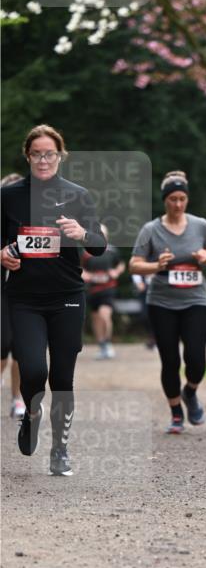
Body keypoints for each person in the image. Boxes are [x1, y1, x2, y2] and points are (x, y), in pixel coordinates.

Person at [0, 124, 106, 475]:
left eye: (49, 154)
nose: (43, 160)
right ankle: (31, 415)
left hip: (67, 297)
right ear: (27, 156)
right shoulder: (10, 196)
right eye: (36, 154)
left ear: (60, 156)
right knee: (33, 370)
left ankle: (60, 450)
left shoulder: (77, 195)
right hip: (24, 298)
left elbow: (99, 245)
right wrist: (2, 254)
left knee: (62, 378)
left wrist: (82, 232)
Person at [129, 171, 206, 433]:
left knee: (196, 359)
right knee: (170, 361)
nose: (178, 204)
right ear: (164, 200)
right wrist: (156, 265)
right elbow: (133, 265)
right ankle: (176, 411)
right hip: (162, 302)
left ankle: (190, 392)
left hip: (195, 300)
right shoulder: (151, 230)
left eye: (182, 199)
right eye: (172, 199)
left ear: (187, 199)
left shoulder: (201, 225)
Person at [0, 173, 25, 419]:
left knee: (19, 347)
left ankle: (17, 398)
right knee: (3, 344)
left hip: (23, 292)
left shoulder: (28, 224)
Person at [81, 225, 125, 359]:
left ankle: (107, 343)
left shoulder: (112, 250)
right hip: (92, 290)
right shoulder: (86, 253)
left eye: (103, 234)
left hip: (108, 288)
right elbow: (80, 268)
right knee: (96, 319)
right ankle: (101, 345)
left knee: (104, 315)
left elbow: (121, 264)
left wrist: (116, 272)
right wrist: (85, 274)